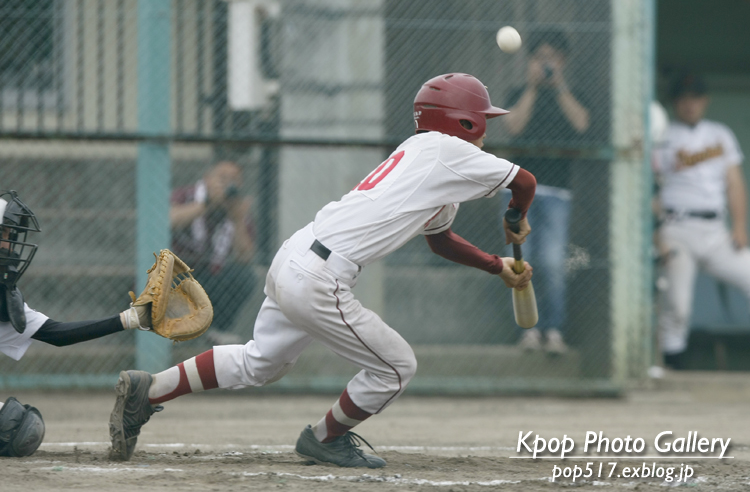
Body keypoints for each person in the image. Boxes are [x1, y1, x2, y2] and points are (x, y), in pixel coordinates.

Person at [108, 73, 537, 468]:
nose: (485, 129)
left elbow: (440, 239)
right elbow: (525, 183)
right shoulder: (449, 152)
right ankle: (326, 438)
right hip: (321, 277)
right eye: (482, 120)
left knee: (261, 362)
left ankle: (150, 390)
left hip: (295, 257)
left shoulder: (422, 157)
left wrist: (497, 265)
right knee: (395, 367)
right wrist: (516, 215)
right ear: (463, 123)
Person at [0, 190, 151, 457]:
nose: (10, 246)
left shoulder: (3, 298)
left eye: (11, 237)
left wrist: (130, 319)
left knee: (18, 427)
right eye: (5, 236)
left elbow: (57, 334)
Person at [501, 29, 590, 354]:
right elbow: (514, 126)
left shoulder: (572, 93)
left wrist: (559, 87)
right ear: (530, 62)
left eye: (553, 58)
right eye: (540, 58)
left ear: (563, 62)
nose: (547, 64)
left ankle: (553, 330)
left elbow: (581, 123)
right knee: (518, 262)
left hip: (557, 192)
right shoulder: (518, 92)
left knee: (552, 262)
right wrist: (533, 87)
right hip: (520, 191)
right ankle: (528, 332)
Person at [653, 72, 750, 369]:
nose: (690, 104)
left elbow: (734, 182)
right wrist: (660, 239)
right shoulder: (662, 135)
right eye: (683, 98)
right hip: (677, 229)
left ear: (705, 101)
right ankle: (673, 367)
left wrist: (739, 227)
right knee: (678, 306)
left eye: (695, 97)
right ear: (674, 103)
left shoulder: (719, 133)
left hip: (716, 231)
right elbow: (651, 190)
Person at [170, 160, 256, 345]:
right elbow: (169, 220)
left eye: (234, 180)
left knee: (245, 276)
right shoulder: (187, 195)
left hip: (212, 274)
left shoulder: (237, 208)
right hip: (177, 271)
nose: (228, 184)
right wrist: (206, 204)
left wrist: (238, 220)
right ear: (207, 179)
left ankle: (218, 330)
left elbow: (245, 256)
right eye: (222, 178)